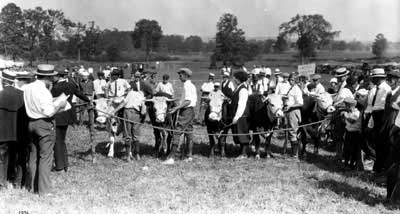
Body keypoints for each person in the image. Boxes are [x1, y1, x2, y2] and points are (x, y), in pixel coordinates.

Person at [24, 64, 69, 195]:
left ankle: (32, 186)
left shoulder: (28, 87)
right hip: (44, 124)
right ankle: (44, 190)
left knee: (33, 155)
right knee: (46, 157)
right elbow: (49, 112)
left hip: (31, 122)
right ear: (48, 77)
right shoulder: (43, 90)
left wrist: (52, 100)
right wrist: (60, 104)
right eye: (51, 77)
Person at [51, 70, 89, 172]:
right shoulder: (71, 85)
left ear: (58, 76)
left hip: (58, 115)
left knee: (57, 141)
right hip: (68, 116)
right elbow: (79, 94)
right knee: (62, 140)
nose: (52, 78)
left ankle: (59, 166)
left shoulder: (55, 87)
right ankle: (65, 164)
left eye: (53, 76)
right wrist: (88, 100)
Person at [163, 68, 197, 165]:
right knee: (189, 132)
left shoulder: (188, 86)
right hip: (190, 111)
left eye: (181, 75)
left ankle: (171, 158)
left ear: (186, 75)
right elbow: (186, 99)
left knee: (177, 132)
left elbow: (188, 101)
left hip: (186, 111)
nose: (179, 76)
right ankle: (189, 156)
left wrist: (175, 108)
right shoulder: (190, 85)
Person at [0, 71, 27, 189]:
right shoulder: (22, 94)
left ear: (4, 81)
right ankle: (17, 181)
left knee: (2, 158)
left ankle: (2, 182)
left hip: (3, 132)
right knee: (18, 157)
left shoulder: (0, 95)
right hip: (19, 132)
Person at [365, 68, 391, 173]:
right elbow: (371, 105)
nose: (373, 80)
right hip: (373, 115)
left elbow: (385, 107)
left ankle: (380, 167)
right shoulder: (374, 89)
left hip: (382, 116)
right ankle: (377, 164)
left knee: (381, 143)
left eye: (374, 78)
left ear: (379, 78)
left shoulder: (386, 89)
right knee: (374, 141)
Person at [112, 87, 147, 161]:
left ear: (131, 89)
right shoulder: (141, 95)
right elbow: (143, 108)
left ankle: (128, 156)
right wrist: (142, 116)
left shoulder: (130, 93)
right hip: (137, 114)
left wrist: (114, 111)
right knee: (136, 135)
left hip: (128, 113)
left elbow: (123, 103)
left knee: (127, 135)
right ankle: (137, 155)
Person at [380, 70, 400, 170]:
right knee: (386, 145)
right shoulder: (389, 93)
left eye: (391, 80)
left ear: (397, 80)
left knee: (393, 147)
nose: (389, 81)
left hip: (396, 123)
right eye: (388, 79)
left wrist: (397, 107)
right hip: (387, 122)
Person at [230, 70, 251, 159]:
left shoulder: (243, 90)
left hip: (242, 116)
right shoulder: (238, 88)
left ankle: (244, 154)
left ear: (238, 79)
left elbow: (241, 104)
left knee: (242, 133)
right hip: (238, 115)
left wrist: (237, 117)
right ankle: (241, 152)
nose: (234, 79)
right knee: (238, 133)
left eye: (235, 78)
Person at [283, 73, 304, 158]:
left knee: (293, 132)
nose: (290, 81)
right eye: (289, 79)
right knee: (290, 131)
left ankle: (295, 155)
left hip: (293, 111)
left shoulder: (296, 89)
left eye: (292, 80)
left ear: (296, 81)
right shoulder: (291, 88)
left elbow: (300, 103)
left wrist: (290, 106)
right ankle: (294, 153)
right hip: (288, 111)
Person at [341, 97, 363, 170]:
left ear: (350, 105)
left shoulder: (357, 112)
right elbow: (346, 122)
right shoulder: (348, 112)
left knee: (353, 150)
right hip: (348, 132)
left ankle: (351, 165)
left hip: (355, 134)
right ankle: (346, 164)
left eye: (346, 105)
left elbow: (352, 121)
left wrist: (345, 115)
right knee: (346, 149)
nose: (345, 106)